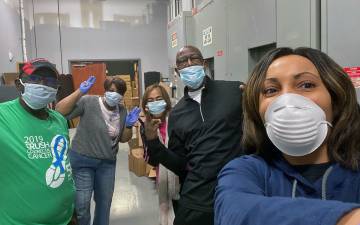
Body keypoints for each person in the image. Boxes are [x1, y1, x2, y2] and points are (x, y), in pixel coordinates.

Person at [215, 47, 360, 225]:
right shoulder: (247, 171)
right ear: (257, 111)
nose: (288, 99)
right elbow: (235, 213)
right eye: (270, 90)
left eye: (306, 85)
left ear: (335, 99)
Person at [144, 45, 244, 225]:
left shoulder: (234, 91)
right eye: (183, 61)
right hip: (198, 197)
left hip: (237, 190)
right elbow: (180, 164)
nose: (189, 64)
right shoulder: (178, 113)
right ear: (177, 70)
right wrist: (153, 142)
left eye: (194, 58)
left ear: (204, 63)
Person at [55, 77, 141, 225]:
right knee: (82, 204)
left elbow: (123, 139)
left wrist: (128, 125)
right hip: (82, 161)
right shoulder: (89, 102)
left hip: (107, 163)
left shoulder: (121, 111)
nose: (116, 94)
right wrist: (79, 92)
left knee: (104, 203)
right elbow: (59, 111)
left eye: (120, 92)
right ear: (106, 90)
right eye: (112, 90)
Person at [0, 58, 75, 225]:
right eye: (34, 79)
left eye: (49, 81)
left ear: (56, 89)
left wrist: (72, 210)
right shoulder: (2, 116)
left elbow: (65, 164)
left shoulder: (59, 120)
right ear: (19, 84)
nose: (42, 85)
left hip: (65, 218)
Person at [139, 83, 180, 225]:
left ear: (166, 101)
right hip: (163, 179)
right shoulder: (146, 127)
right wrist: (152, 138)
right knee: (167, 213)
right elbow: (150, 160)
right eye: (150, 101)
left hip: (183, 178)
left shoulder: (177, 120)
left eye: (158, 98)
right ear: (146, 106)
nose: (155, 103)